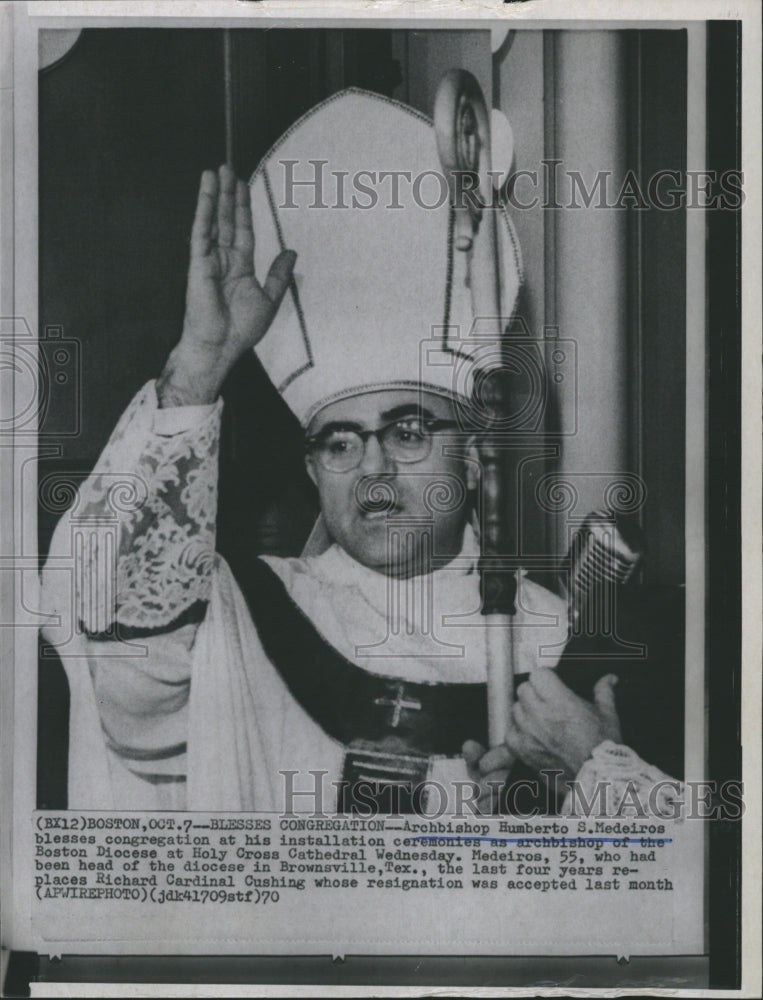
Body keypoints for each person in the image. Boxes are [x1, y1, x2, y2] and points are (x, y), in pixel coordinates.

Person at [40, 88, 657, 814]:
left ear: (472, 460)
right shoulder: (239, 613)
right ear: (311, 469)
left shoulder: (556, 645)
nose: (371, 467)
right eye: (338, 441)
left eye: (406, 431)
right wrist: (196, 370)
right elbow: (105, 615)